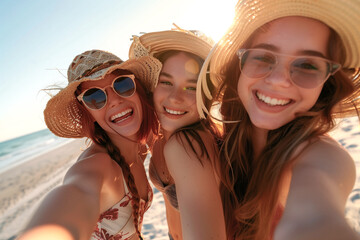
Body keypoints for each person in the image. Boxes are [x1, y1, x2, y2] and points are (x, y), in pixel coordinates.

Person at [196, 0, 360, 239]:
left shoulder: (322, 156)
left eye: (307, 65)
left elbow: (316, 215)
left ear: (327, 81)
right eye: (263, 57)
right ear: (239, 64)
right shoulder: (222, 140)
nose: (279, 80)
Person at [18, 50, 162, 240]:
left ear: (138, 87)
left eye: (122, 84)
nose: (115, 101)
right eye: (95, 97)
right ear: (88, 113)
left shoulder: (139, 149)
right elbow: (77, 192)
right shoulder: (98, 165)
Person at [129, 27, 226, 240]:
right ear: (152, 86)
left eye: (191, 87)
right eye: (166, 82)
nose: (175, 97)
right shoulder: (158, 135)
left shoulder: (186, 144)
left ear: (206, 95)